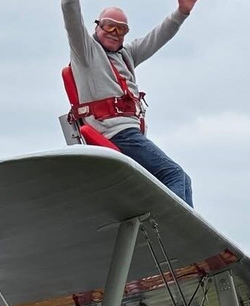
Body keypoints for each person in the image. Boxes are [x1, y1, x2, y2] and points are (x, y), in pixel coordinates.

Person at [62, 0, 198, 206]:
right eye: (109, 26)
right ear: (97, 26)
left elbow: (157, 38)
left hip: (131, 135)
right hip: (116, 133)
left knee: (183, 179)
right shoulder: (86, 52)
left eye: (121, 29)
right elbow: (70, 11)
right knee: (173, 174)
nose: (114, 32)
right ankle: (173, 232)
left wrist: (181, 12)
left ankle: (182, 232)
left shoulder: (126, 55)